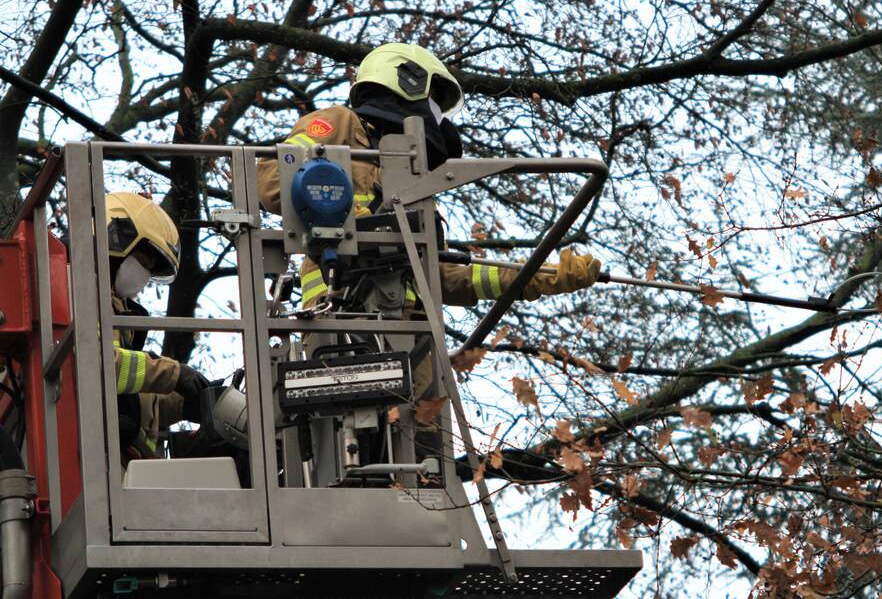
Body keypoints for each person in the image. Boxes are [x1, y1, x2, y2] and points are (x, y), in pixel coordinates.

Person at [254, 44, 600, 462]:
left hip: (415, 343)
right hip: (343, 323)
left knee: (424, 469)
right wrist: (355, 219)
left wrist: (536, 276)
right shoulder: (342, 124)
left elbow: (437, 273)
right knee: (351, 453)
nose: (438, 117)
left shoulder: (415, 184)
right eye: (435, 101)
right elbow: (272, 176)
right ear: (406, 82)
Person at [105, 192, 210, 461]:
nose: (143, 275)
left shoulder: (115, 309)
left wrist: (188, 403)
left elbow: (132, 402)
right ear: (114, 240)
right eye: (143, 262)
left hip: (121, 462)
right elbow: (99, 369)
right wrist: (174, 373)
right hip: (97, 460)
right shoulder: (79, 295)